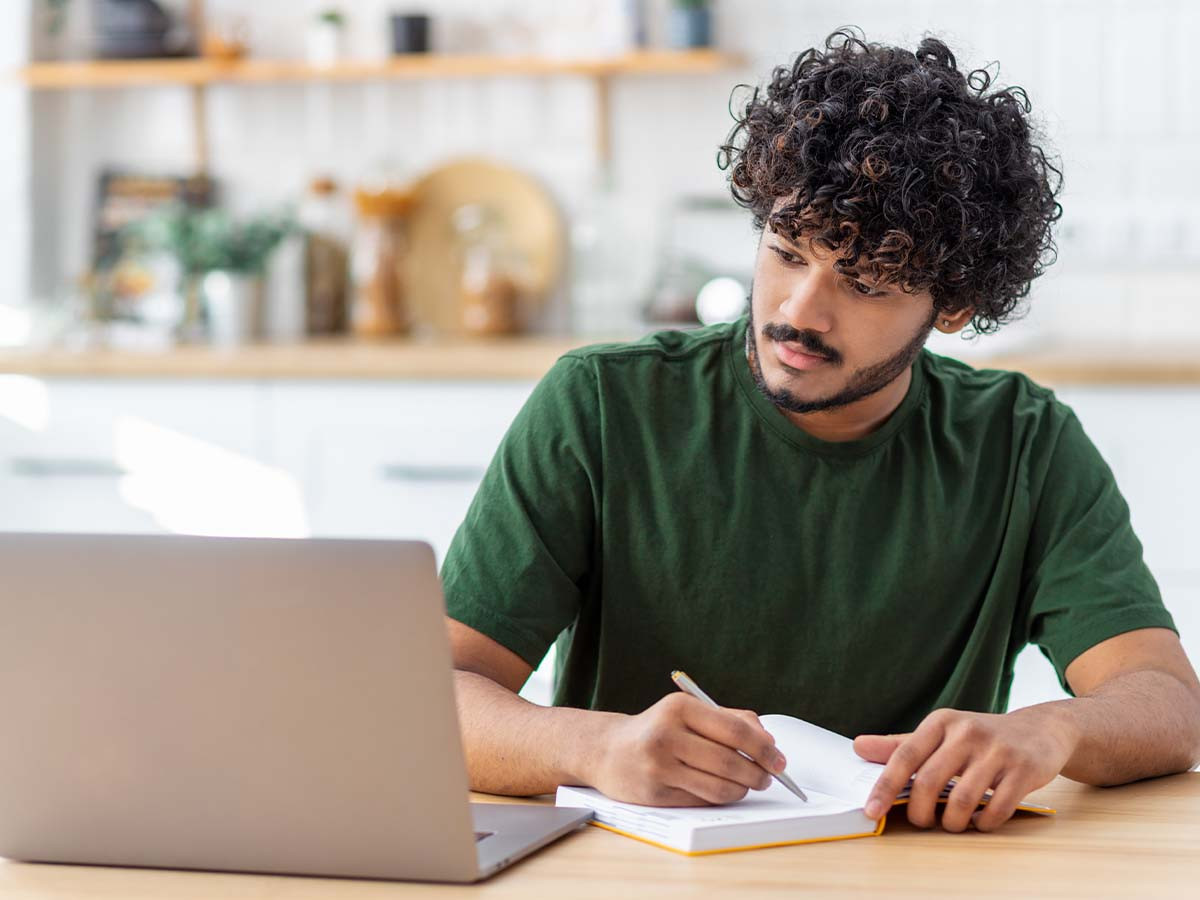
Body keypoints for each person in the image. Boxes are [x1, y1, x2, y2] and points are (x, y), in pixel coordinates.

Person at [441, 28, 1200, 833]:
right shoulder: (601, 406)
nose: (800, 312)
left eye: (865, 282)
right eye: (786, 251)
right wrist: (594, 747)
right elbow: (428, 698)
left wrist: (1052, 728)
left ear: (954, 306)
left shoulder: (1023, 444)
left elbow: (1168, 704)